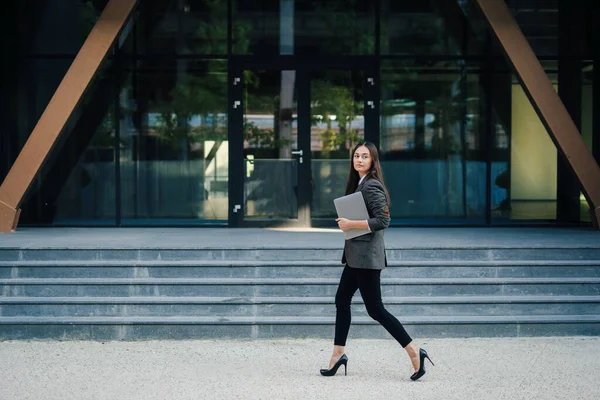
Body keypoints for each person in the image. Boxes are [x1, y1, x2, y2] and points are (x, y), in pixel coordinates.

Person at [319, 141, 434, 381]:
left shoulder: (371, 186)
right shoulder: (360, 184)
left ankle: (414, 351)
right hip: (355, 257)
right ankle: (338, 354)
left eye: (365, 156)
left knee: (376, 309)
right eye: (356, 156)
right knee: (342, 299)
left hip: (367, 259)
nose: (359, 160)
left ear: (372, 161)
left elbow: (383, 221)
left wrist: (351, 224)